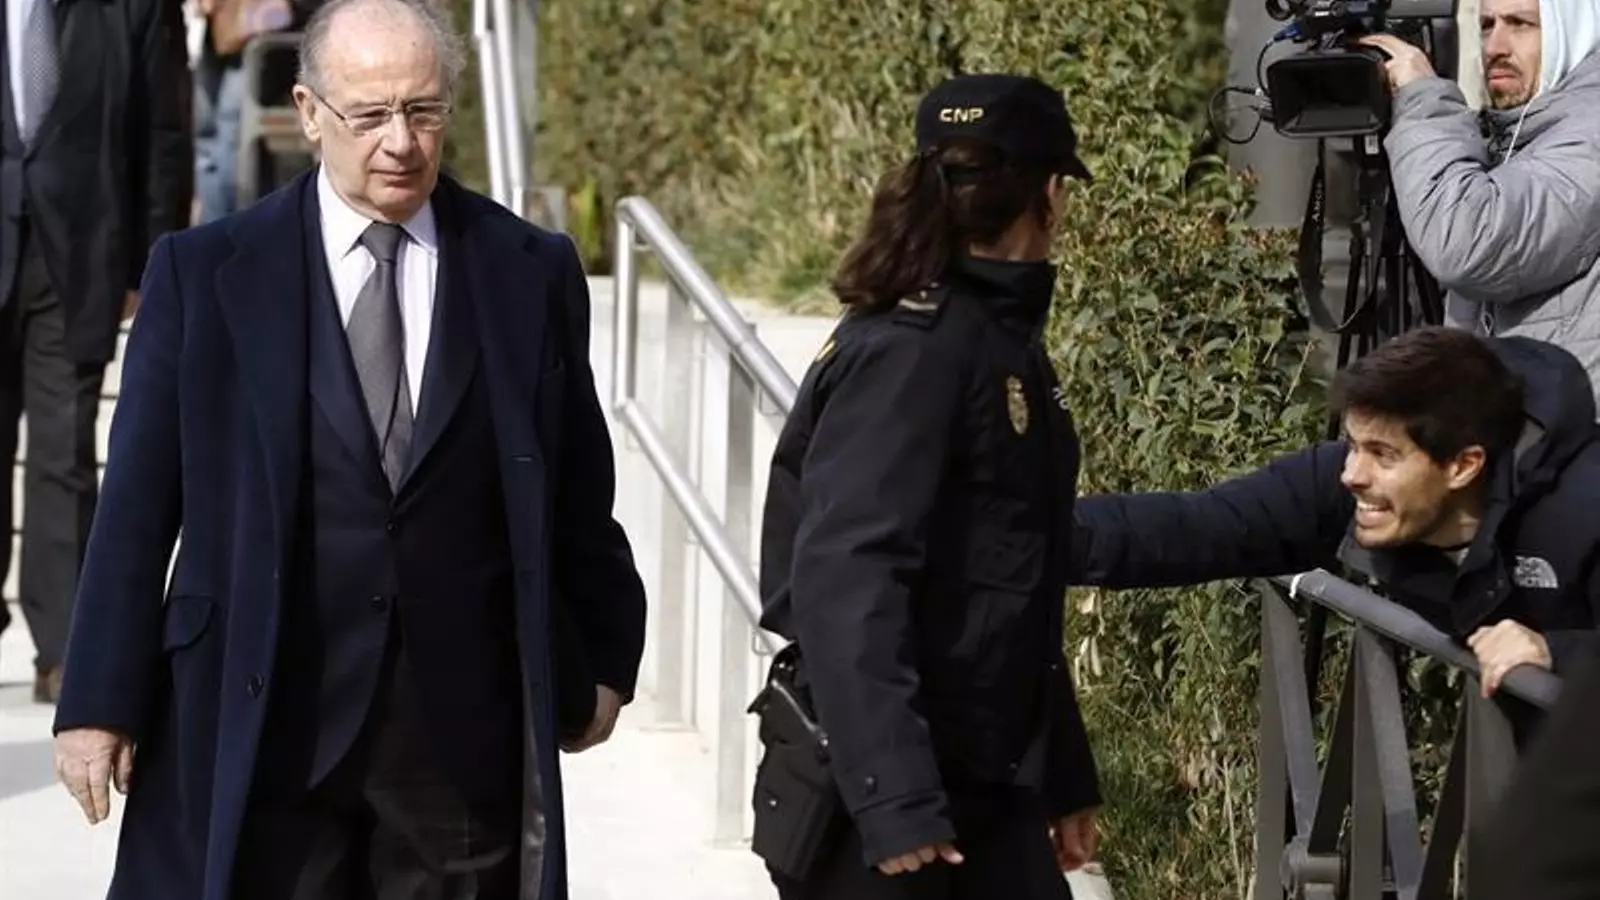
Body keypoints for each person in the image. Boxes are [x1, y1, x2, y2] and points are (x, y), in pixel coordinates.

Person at [47, 0, 647, 897]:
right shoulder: (204, 274)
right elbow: (137, 506)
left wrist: (604, 656)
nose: (400, 142)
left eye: (424, 111)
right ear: (309, 111)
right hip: (265, 716)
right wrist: (98, 700)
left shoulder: (527, 269)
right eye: (370, 115)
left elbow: (576, 489)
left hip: (461, 741)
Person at [755, 73, 1102, 900]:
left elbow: (1009, 583)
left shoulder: (989, 339)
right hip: (896, 809)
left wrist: (1060, 772)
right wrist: (896, 797)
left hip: (978, 785)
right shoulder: (918, 350)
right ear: (1048, 196)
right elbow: (847, 578)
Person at [1071, 327, 1600, 701]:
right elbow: (1196, 528)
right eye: (1352, 444)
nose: (1352, 474)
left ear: (1463, 465)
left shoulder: (1582, 506)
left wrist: (1556, 652)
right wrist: (1034, 537)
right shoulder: (1345, 487)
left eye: (1383, 455)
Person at [0, 0, 190, 704]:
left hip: (80, 255)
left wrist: (150, 263)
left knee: (65, 450)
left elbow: (161, 132)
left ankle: (63, 650)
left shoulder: (129, 7)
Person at [1357, 0, 1600, 402]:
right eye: (1487, 25)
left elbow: (1467, 243)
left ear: (1574, 30)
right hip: (1514, 420)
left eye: (1520, 24)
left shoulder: (1590, 137)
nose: (1494, 47)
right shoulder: (1518, 133)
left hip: (1568, 433)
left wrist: (1423, 100)